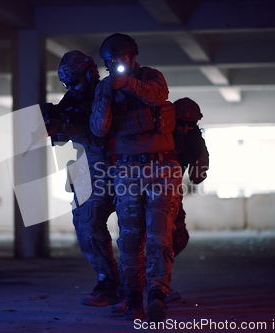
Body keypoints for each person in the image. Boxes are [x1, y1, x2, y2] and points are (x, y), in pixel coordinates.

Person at [90, 33, 182, 322]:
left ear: (133, 57)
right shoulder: (105, 87)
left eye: (122, 60)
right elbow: (98, 128)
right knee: (130, 239)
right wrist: (106, 95)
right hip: (127, 170)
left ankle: (157, 294)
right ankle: (133, 298)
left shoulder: (150, 77)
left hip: (161, 168)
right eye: (111, 62)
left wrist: (127, 83)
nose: (117, 65)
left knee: (159, 237)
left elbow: (159, 95)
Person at [42, 50, 121, 308]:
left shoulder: (110, 94)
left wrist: (64, 126)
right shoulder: (74, 97)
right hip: (90, 170)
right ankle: (109, 282)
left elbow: (100, 136)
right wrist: (53, 123)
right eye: (68, 84)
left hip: (121, 168)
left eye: (75, 81)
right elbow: (62, 136)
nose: (72, 88)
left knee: (139, 234)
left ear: (90, 74)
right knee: (87, 229)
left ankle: (148, 288)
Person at [167, 97, 209, 301]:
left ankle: (153, 279)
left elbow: (197, 177)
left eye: (190, 124)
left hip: (171, 195)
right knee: (137, 242)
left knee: (178, 238)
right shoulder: (159, 133)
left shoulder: (193, 138)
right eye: (180, 123)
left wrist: (199, 155)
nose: (185, 128)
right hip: (143, 193)